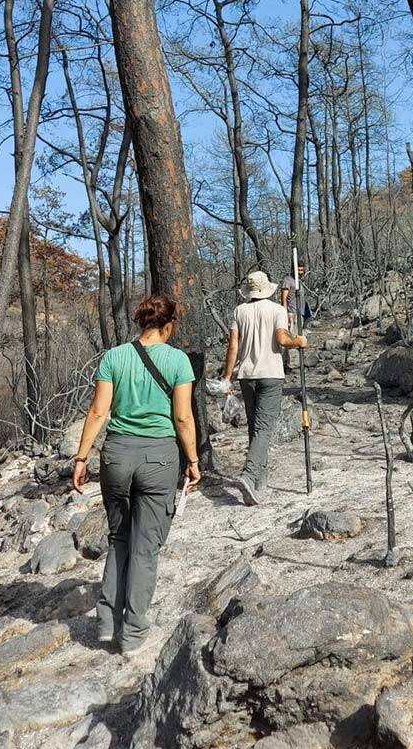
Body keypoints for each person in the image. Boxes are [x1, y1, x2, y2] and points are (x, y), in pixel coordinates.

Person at [72, 294, 200, 656]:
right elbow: (182, 418)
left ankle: (106, 623)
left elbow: (97, 413)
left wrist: (81, 458)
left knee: (119, 540)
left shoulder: (114, 357)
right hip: (159, 458)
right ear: (169, 325)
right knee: (145, 548)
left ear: (141, 323)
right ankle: (132, 635)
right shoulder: (178, 361)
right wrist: (192, 459)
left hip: (117, 457)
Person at [222, 270, 307, 506]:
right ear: (267, 289)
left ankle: (259, 481)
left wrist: (227, 376)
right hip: (271, 374)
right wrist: (298, 341)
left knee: (255, 427)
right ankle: (250, 475)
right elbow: (281, 339)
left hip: (246, 375)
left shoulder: (240, 311)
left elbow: (233, 347)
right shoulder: (277, 310)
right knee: (263, 429)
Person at [280, 260, 308, 373]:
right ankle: (290, 365)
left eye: (302, 270)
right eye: (298, 269)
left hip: (300, 313)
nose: (300, 272)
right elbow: (283, 298)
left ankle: (295, 364)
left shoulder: (299, 282)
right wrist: (286, 313)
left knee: (298, 338)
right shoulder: (288, 280)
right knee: (291, 339)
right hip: (291, 313)